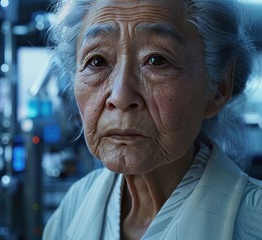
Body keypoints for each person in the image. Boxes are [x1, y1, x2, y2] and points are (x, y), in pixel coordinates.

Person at [42, 0, 262, 239]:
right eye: (97, 61)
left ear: (218, 89)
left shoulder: (253, 223)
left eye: (156, 60)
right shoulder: (73, 208)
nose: (120, 96)